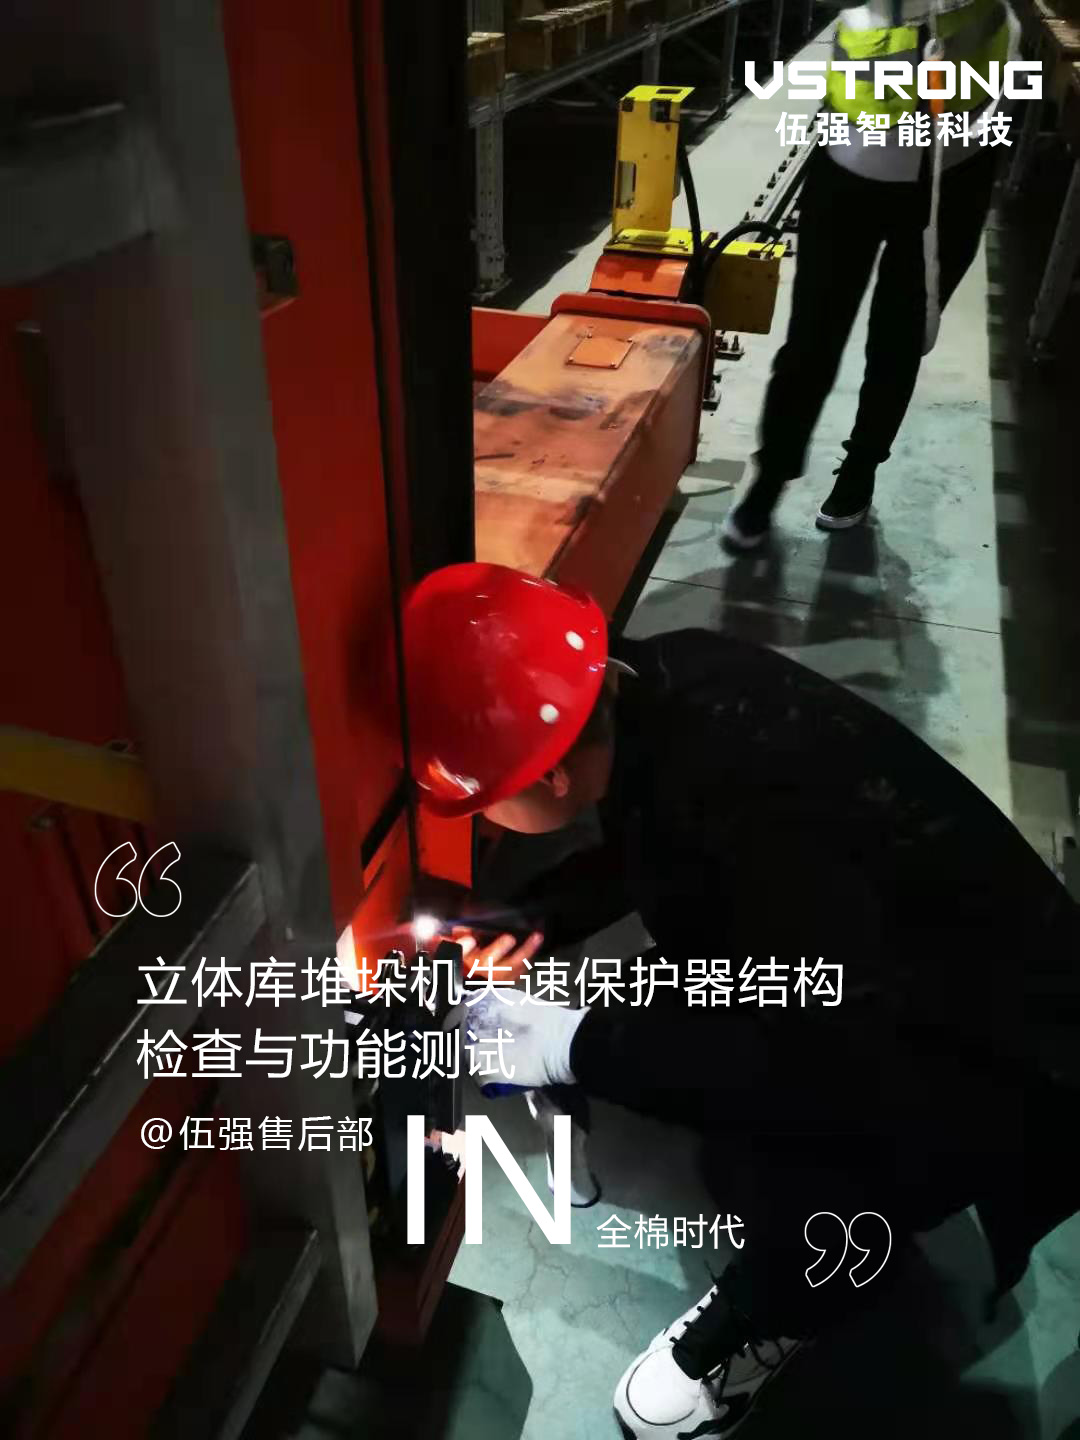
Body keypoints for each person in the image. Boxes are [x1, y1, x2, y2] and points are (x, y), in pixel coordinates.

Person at [403, 562, 1080, 1438]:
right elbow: (664, 847)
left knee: (792, 1149)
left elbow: (803, 1052)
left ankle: (762, 1321)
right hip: (879, 963)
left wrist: (571, 1045)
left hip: (990, 1054)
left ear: (552, 778)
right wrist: (529, 918)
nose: (488, 821)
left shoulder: (755, 808)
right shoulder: (665, 680)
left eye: (490, 805)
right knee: (659, 1017)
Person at [721, 0, 1016, 549]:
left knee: (898, 338)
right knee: (812, 336)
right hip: (852, 155)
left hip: (954, 164)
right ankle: (771, 475)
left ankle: (860, 469)